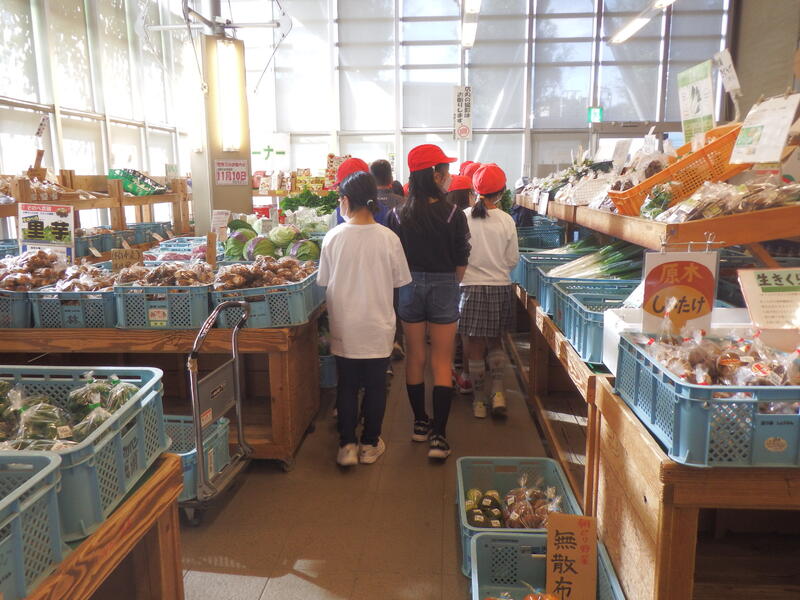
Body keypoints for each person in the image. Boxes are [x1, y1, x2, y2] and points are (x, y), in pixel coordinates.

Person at [317, 171, 412, 467]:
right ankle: (370, 444)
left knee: (346, 384)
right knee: (375, 385)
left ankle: (346, 446)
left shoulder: (333, 237)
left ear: (345, 201)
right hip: (378, 325)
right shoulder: (389, 238)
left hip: (344, 325)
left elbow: (324, 280)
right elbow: (399, 282)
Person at [388, 144, 471, 460]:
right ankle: (439, 437)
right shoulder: (453, 214)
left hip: (408, 286)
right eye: (446, 170)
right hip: (444, 285)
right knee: (441, 361)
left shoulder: (397, 214)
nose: (449, 176)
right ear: (435, 174)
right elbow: (461, 259)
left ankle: (419, 425)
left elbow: (394, 259)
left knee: (415, 358)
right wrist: (450, 283)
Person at [457, 164, 519, 418]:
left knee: (474, 344)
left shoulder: (463, 216)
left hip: (469, 287)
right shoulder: (506, 220)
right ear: (501, 192)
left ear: (474, 190)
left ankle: (479, 401)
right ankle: (498, 392)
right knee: (495, 341)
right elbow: (512, 259)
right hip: (499, 287)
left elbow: (457, 254)